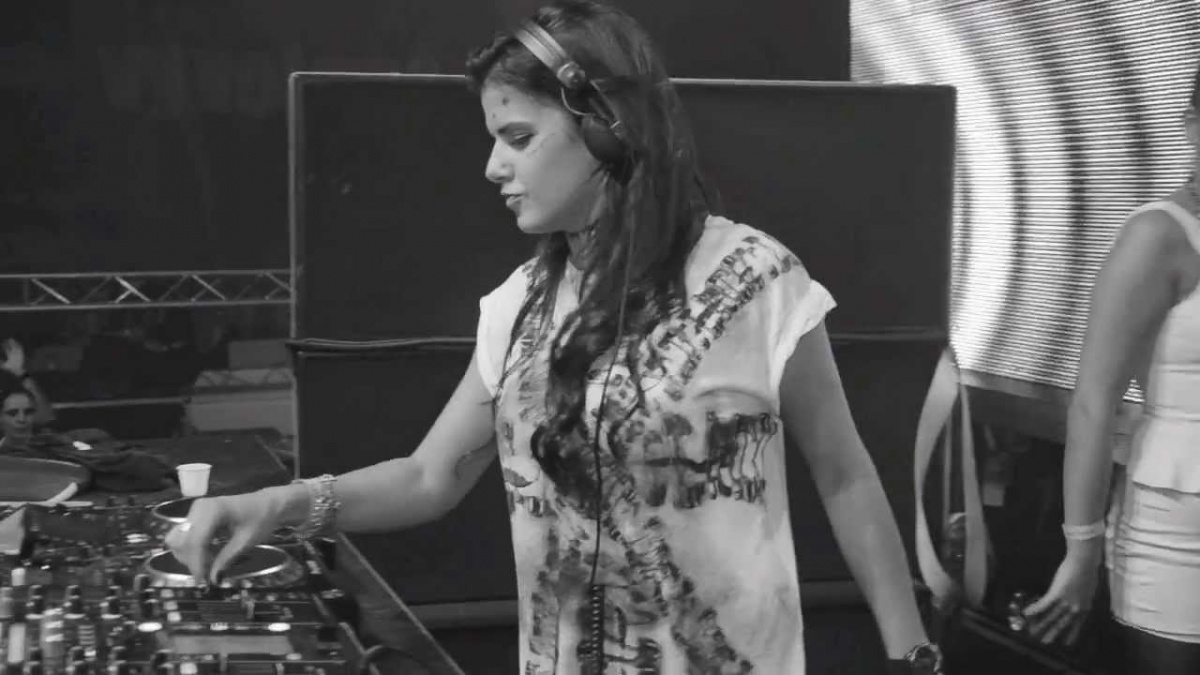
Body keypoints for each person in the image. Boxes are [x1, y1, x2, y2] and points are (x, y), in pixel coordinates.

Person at [167, 2, 941, 672]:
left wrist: (913, 656)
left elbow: (845, 476)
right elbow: (428, 476)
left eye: (517, 136)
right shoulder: (517, 307)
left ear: (607, 127)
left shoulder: (756, 278)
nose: (491, 166)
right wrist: (278, 503)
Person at [1025, 66, 1200, 674]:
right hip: (1180, 536)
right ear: (1192, 126)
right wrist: (1082, 548)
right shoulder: (1158, 236)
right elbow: (1094, 401)